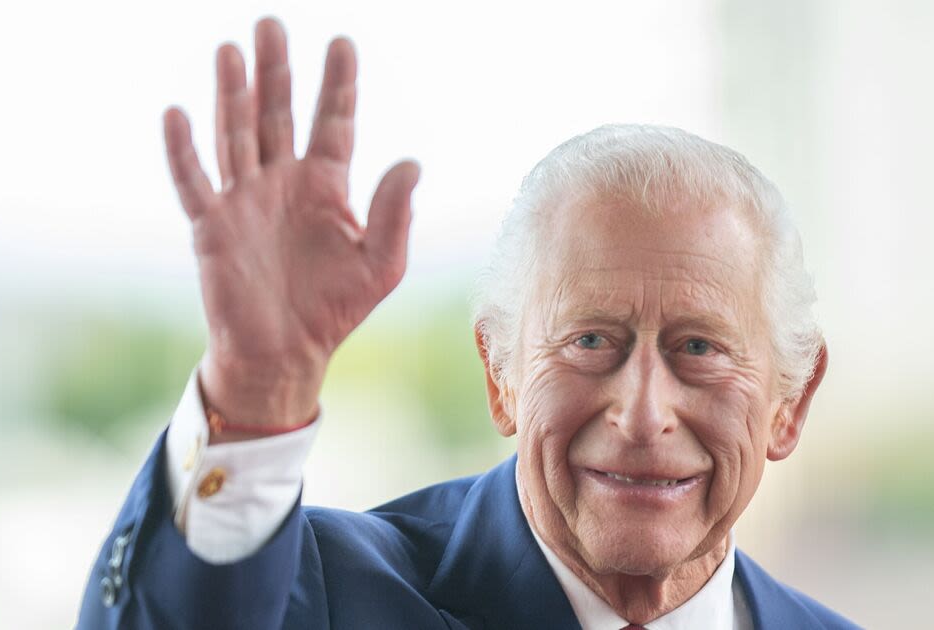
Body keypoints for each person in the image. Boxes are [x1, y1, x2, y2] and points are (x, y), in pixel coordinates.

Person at [76, 16, 857, 630]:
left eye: (698, 348)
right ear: (501, 376)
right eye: (590, 342)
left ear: (789, 402)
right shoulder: (322, 596)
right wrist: (253, 392)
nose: (644, 414)